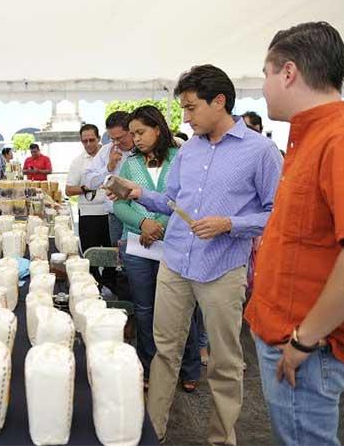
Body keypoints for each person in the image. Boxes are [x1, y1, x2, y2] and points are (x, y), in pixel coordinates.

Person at [107, 65, 283, 445]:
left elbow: (276, 215)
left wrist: (229, 225)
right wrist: (136, 193)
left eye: (190, 108)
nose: (184, 118)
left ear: (218, 102)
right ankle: (153, 433)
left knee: (225, 362)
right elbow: (171, 202)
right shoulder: (189, 150)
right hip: (176, 261)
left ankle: (222, 439)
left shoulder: (261, 151)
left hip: (221, 269)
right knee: (164, 353)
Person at [244, 21, 344, 446]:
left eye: (265, 74)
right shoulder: (315, 137)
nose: (264, 87)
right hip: (288, 331)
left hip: (308, 344)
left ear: (288, 72)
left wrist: (303, 341)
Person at [113, 105, 201, 390]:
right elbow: (119, 203)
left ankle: (189, 368)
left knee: (179, 309)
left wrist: (159, 225)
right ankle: (150, 368)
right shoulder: (129, 164)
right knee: (144, 310)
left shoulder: (180, 157)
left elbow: (184, 199)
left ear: (158, 129)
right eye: (133, 134)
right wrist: (143, 225)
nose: (135, 139)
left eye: (141, 132)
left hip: (173, 245)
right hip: (138, 247)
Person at [83, 111, 133, 246]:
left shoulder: (143, 150)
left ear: (131, 131)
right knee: (118, 259)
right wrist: (108, 167)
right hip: (116, 217)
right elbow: (89, 182)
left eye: (120, 138)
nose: (116, 142)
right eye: (112, 139)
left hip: (140, 215)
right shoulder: (107, 150)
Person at [65, 124, 109, 279]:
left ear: (98, 139)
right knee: (90, 258)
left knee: (112, 255)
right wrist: (87, 188)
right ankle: (94, 284)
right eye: (85, 141)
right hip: (89, 214)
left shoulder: (110, 154)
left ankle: (111, 284)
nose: (89, 144)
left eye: (92, 140)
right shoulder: (78, 162)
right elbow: (69, 190)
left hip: (112, 213)